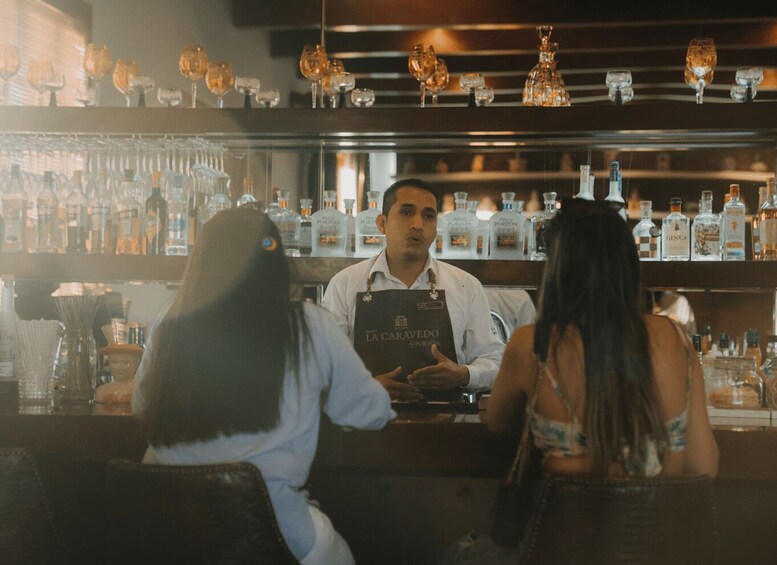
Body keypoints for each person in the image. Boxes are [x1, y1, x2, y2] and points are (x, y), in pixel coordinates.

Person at [132, 207, 394, 565]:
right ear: (275, 263)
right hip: (272, 533)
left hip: (166, 531)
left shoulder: (170, 324)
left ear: (200, 263)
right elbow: (370, 412)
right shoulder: (309, 325)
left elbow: (140, 407)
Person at [488, 198, 718, 479]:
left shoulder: (531, 344)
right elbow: (703, 466)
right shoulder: (675, 338)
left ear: (558, 267)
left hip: (564, 508)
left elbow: (498, 423)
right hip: (662, 508)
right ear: (629, 264)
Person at [322, 178, 505, 402]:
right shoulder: (344, 284)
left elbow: (495, 361)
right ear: (382, 223)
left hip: (446, 417)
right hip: (366, 417)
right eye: (406, 212)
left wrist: (464, 374)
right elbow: (322, 364)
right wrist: (363, 386)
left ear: (435, 229)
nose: (417, 224)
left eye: (428, 216)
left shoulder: (466, 285)